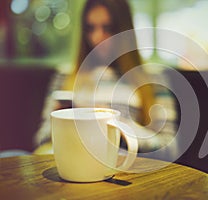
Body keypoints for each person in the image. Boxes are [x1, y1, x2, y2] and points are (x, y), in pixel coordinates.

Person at [34, 0, 177, 155]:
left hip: (122, 168)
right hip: (70, 162)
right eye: (90, 28)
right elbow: (41, 139)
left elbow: (170, 148)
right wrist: (62, 121)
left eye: (107, 28)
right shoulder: (66, 76)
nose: (97, 37)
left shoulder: (151, 78)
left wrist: (120, 128)